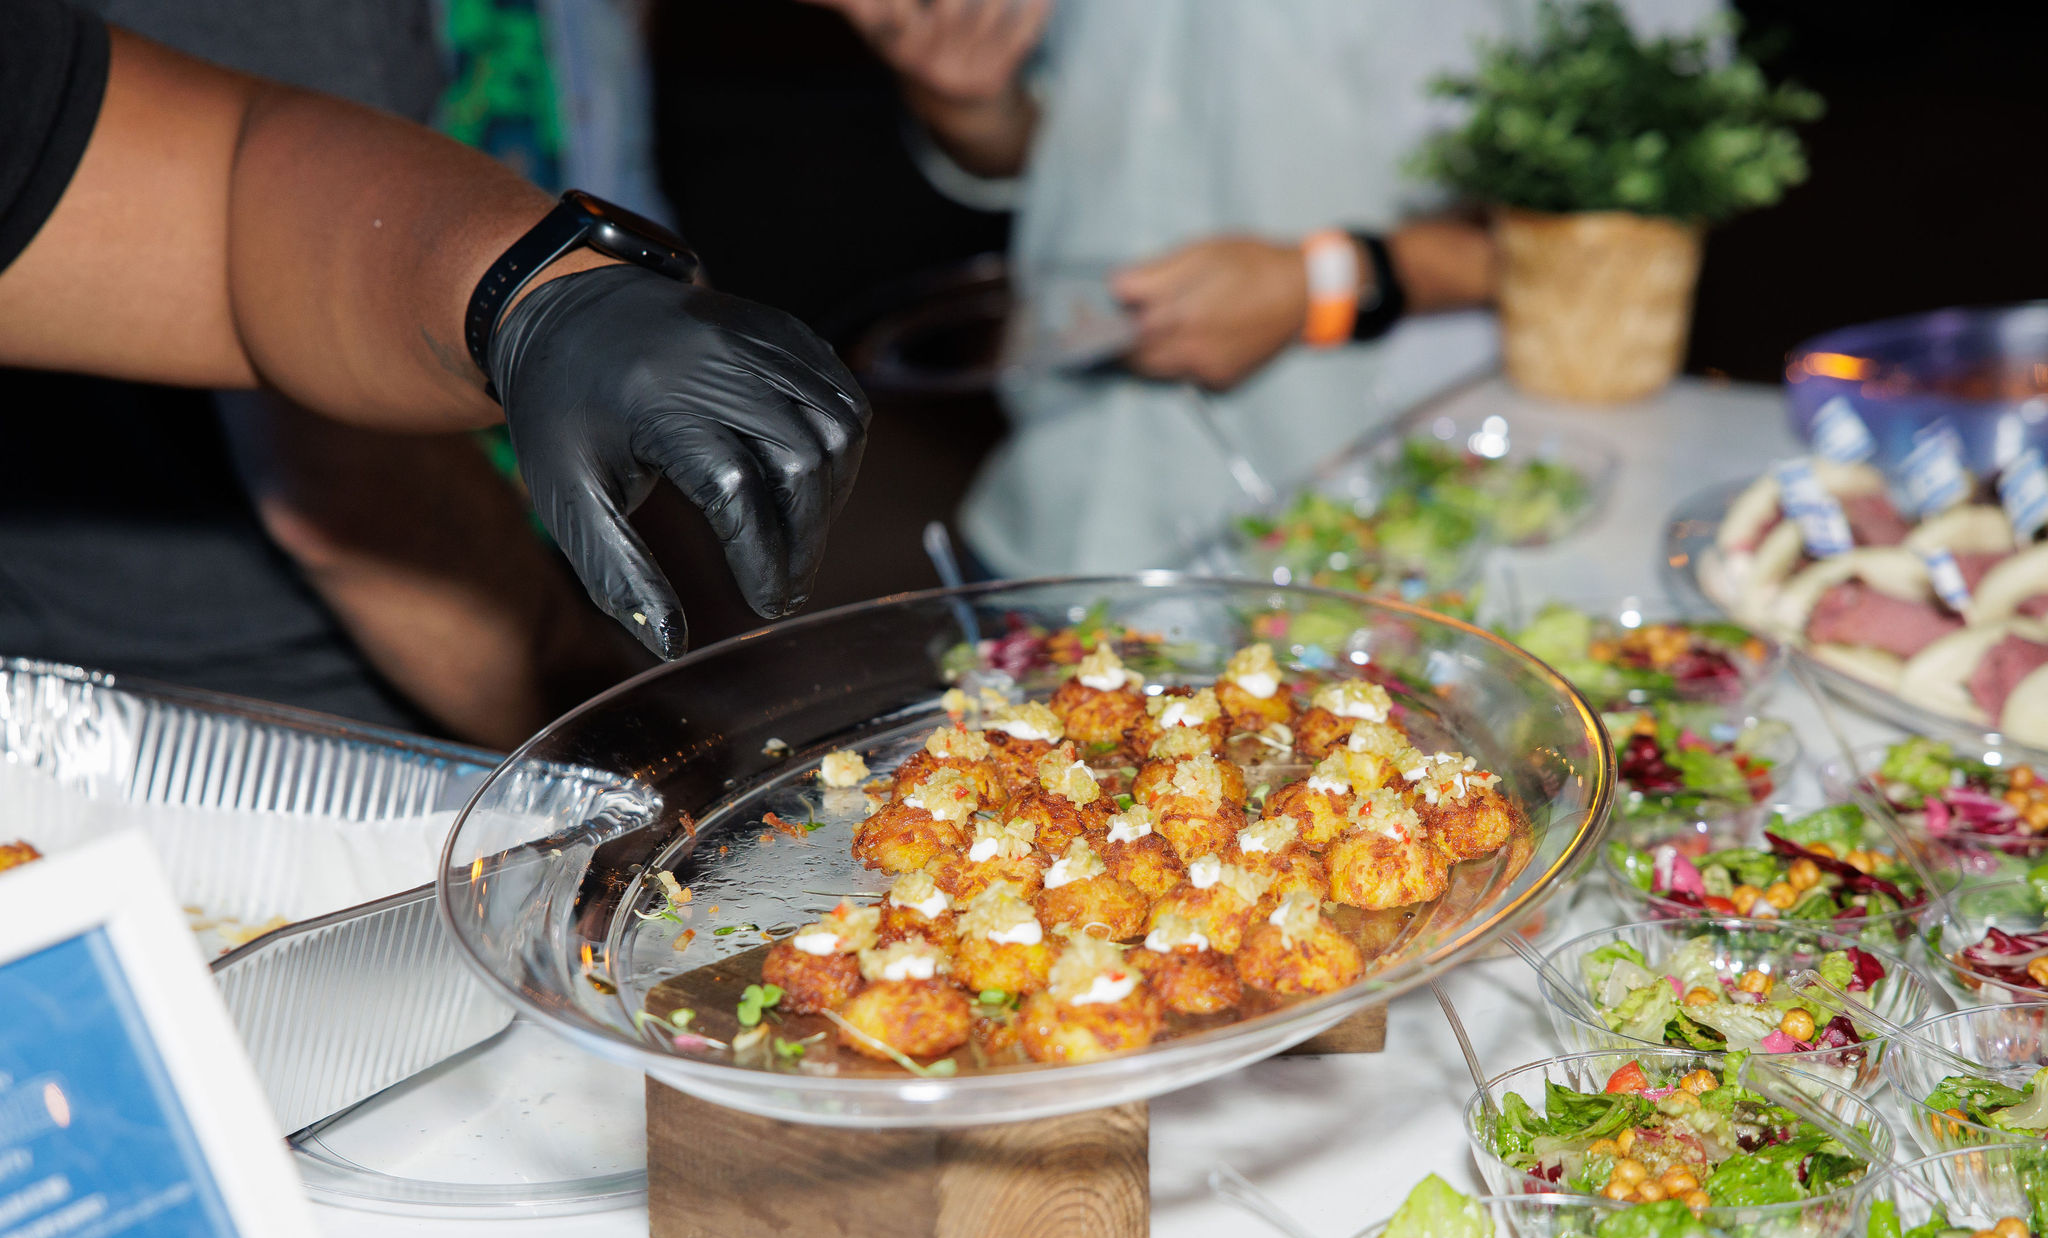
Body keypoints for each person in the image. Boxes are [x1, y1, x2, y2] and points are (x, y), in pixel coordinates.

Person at [0, 0, 868, 671]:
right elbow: (343, 487)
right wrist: (635, 729)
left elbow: (226, 196)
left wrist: (535, 296)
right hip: (260, 694)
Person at [808, 0, 1696, 576]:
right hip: (1056, 513)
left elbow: (1650, 226)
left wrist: (1325, 284)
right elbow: (1038, 143)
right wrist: (965, 97)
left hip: (1375, 540)